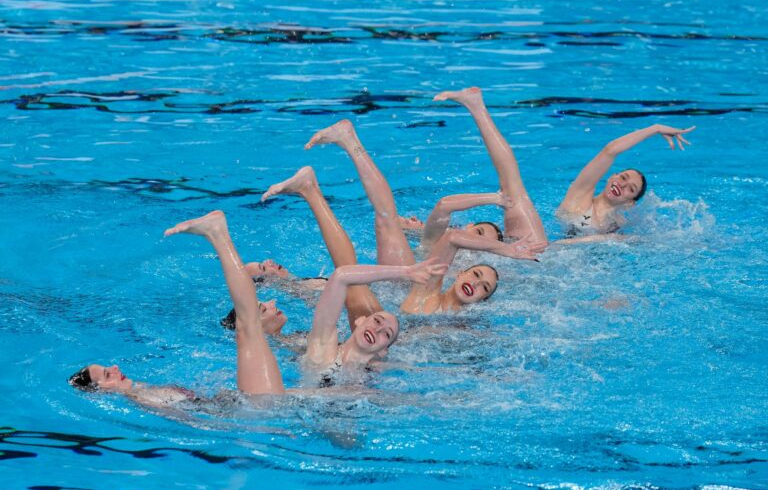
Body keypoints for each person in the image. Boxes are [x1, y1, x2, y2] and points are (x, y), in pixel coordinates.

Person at [69, 211, 446, 398]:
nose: (378, 329)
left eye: (386, 333)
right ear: (361, 322)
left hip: (270, 416)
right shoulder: (323, 346)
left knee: (193, 396)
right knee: (248, 325)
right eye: (379, 320)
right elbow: (342, 275)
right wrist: (407, 270)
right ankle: (218, 235)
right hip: (269, 409)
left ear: (384, 348)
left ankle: (122, 388)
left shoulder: (374, 381)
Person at [285, 118, 543, 314]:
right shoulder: (430, 287)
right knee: (384, 223)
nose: (476, 285)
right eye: (476, 276)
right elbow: (452, 234)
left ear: (482, 302)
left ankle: (310, 188)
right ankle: (347, 146)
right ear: (462, 272)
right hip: (396, 284)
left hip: (385, 302)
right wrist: (507, 249)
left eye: (483, 288)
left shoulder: (462, 321)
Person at [394, 86, 549, 251]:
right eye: (479, 232)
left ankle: (475, 105)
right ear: (466, 227)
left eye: (482, 237)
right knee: (513, 193)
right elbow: (444, 206)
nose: (476, 239)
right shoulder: (437, 245)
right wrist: (496, 198)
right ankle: (476, 106)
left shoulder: (439, 249)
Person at [557, 124, 695, 237]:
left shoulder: (618, 224)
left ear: (629, 203)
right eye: (623, 177)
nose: (622, 185)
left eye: (631, 189)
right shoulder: (579, 196)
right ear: (612, 177)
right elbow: (610, 151)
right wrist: (656, 128)